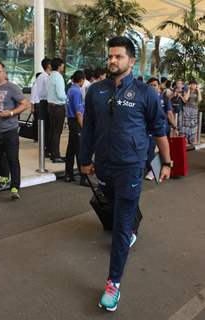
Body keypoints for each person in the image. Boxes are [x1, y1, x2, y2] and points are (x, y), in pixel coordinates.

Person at [80, 36, 172, 312]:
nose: (112, 60)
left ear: (131, 61)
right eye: (110, 56)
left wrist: (167, 162)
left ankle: (113, 283)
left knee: (120, 224)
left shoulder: (146, 93)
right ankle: (130, 224)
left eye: (118, 56)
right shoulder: (96, 91)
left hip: (131, 166)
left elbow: (159, 130)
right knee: (115, 206)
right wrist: (84, 160)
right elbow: (89, 130)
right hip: (104, 167)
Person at [0, 61, 29, 199]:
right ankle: (4, 177)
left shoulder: (11, 88)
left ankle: (14, 188)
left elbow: (25, 103)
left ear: (4, 73)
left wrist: (11, 113)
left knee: (12, 159)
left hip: (9, 131)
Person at [145, 77, 176, 181]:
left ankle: (158, 169)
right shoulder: (145, 98)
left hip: (163, 129)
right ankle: (153, 170)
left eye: (155, 85)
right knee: (149, 150)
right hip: (149, 130)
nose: (153, 87)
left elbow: (169, 113)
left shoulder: (164, 98)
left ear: (159, 87)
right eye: (151, 85)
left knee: (161, 150)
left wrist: (174, 125)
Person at [64, 70, 88, 186]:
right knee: (80, 150)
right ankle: (83, 178)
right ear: (82, 79)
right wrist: (83, 127)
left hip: (70, 120)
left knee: (71, 149)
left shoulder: (70, 89)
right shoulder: (77, 91)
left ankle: (68, 174)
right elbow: (79, 112)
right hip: (75, 122)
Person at [47, 58, 66, 163]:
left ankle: (51, 153)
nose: (63, 67)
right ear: (59, 66)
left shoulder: (51, 75)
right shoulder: (58, 77)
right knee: (57, 132)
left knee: (52, 130)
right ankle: (56, 156)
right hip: (58, 107)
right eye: (62, 65)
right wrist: (68, 98)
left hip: (50, 106)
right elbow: (61, 95)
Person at [35, 58, 52, 155]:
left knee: (48, 127)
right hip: (44, 102)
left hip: (46, 102)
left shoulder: (47, 76)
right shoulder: (43, 77)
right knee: (45, 127)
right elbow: (44, 91)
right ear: (48, 65)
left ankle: (47, 148)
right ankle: (45, 150)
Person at [182, 80, 202, 145]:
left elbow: (199, 100)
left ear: (196, 85)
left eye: (194, 84)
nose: (193, 85)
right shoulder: (187, 91)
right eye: (192, 84)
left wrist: (198, 90)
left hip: (194, 109)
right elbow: (185, 99)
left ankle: (192, 139)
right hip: (187, 109)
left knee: (193, 124)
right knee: (186, 124)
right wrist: (188, 90)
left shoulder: (197, 92)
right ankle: (186, 139)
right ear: (190, 85)